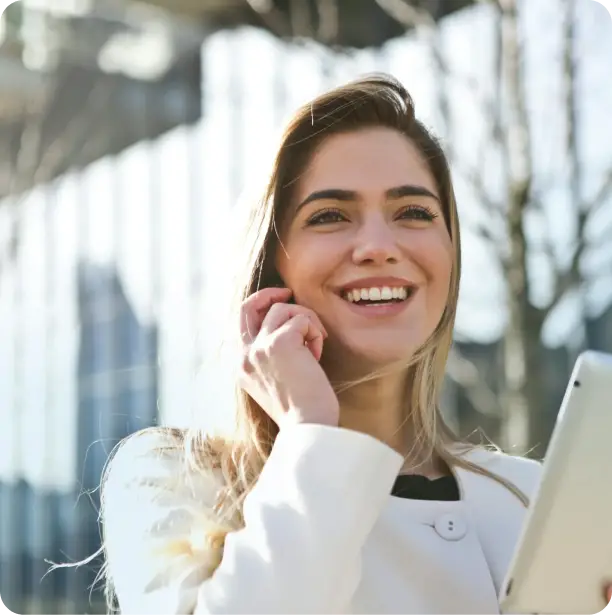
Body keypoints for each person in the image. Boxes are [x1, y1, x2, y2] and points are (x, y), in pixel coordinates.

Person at [99, 74, 612, 614]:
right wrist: (311, 432)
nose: (377, 246)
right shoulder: (175, 484)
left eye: (413, 212)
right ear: (271, 265)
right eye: (330, 216)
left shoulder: (536, 498)